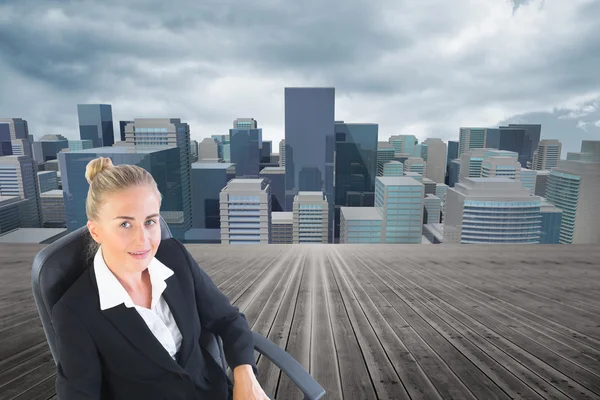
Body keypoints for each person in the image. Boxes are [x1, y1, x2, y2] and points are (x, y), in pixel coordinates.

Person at [53, 156, 270, 400]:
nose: (143, 240)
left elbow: (229, 319)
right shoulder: (75, 312)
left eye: (150, 221)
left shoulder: (174, 257)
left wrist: (245, 377)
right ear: (96, 231)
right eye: (125, 224)